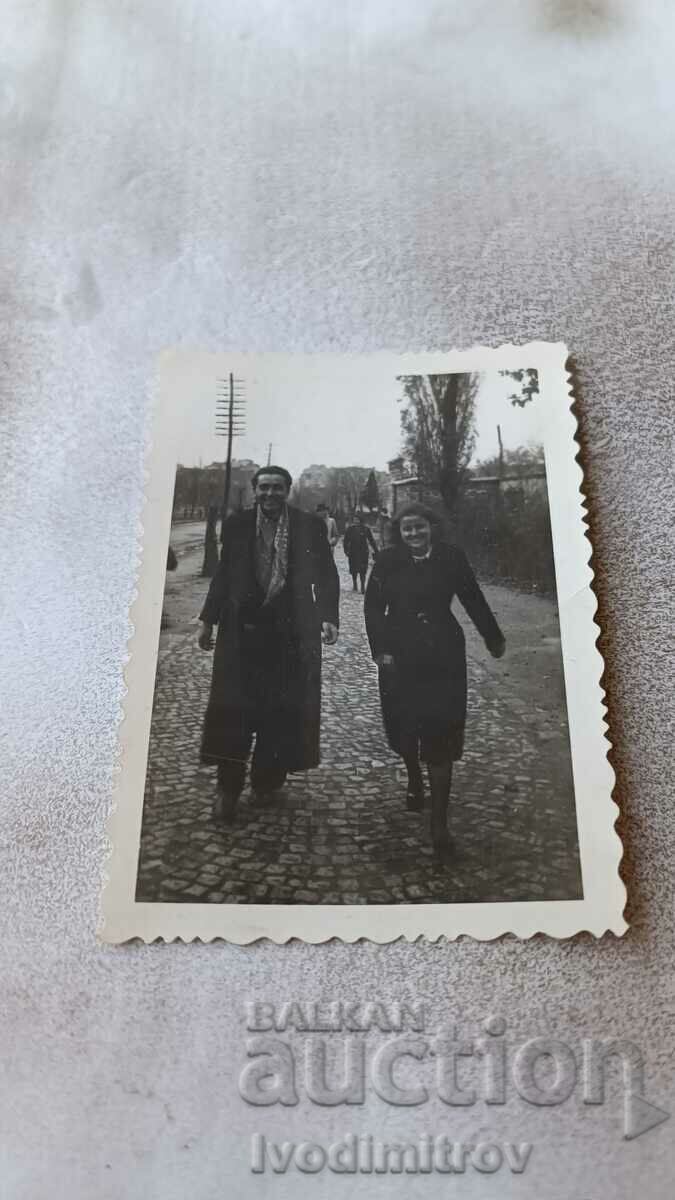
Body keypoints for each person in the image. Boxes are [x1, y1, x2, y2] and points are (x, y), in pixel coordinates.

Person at [364, 502, 505, 865]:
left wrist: (492, 636)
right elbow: (372, 607)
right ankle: (414, 776)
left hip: (444, 655)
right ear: (399, 532)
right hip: (399, 656)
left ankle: (439, 825)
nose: (414, 534)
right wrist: (381, 650)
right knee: (405, 727)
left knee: (442, 731)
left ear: (432, 527)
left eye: (420, 527)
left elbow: (473, 597)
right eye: (407, 529)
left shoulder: (451, 557)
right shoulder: (387, 560)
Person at [198, 466, 340, 823]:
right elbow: (224, 576)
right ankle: (227, 789)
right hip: (241, 633)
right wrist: (207, 619)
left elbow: (326, 573)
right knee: (234, 710)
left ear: (288, 490)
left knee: (282, 711)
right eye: (264, 488)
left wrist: (328, 616)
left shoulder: (309, 526)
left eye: (278, 488)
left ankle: (265, 781)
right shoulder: (236, 525)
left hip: (291, 633)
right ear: (254, 490)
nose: (270, 494)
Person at [343, 512, 377, 593]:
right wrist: (346, 550)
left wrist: (376, 551)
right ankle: (355, 585)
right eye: (354, 519)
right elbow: (345, 541)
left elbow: (371, 541)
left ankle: (362, 586)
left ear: (361, 520)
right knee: (353, 569)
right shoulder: (350, 529)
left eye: (357, 519)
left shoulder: (366, 529)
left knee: (363, 570)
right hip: (353, 552)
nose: (356, 521)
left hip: (363, 552)